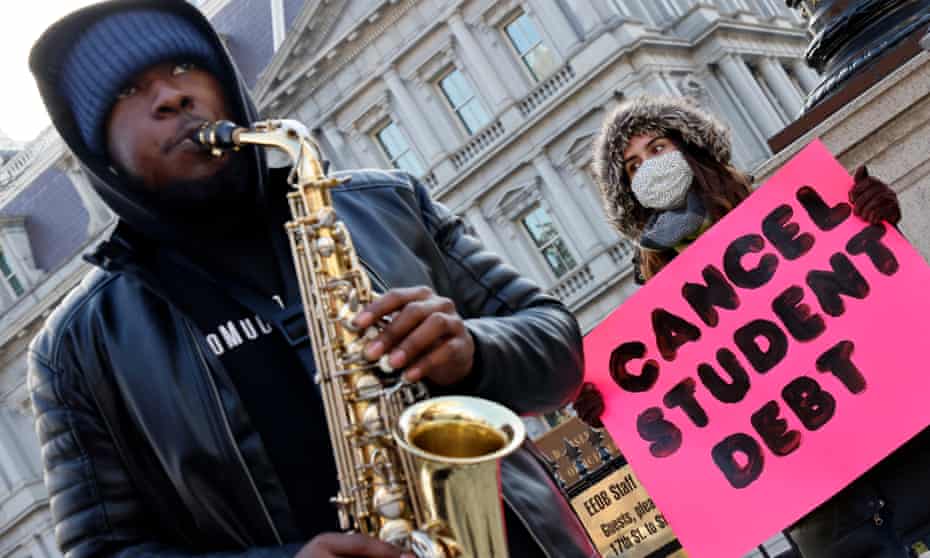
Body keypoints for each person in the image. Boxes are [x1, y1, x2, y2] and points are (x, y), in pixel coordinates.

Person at [27, 1, 596, 557]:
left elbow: (561, 352)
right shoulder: (75, 350)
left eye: (184, 67)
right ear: (96, 149)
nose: (173, 95)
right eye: (127, 90)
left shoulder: (388, 203)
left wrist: (474, 349)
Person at [592, 95, 925, 558]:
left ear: (691, 148)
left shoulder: (788, 213)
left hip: (904, 456)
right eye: (632, 166)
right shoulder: (656, 304)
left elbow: (881, 305)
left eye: (658, 147)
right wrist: (610, 404)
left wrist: (878, 220)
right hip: (821, 507)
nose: (648, 166)